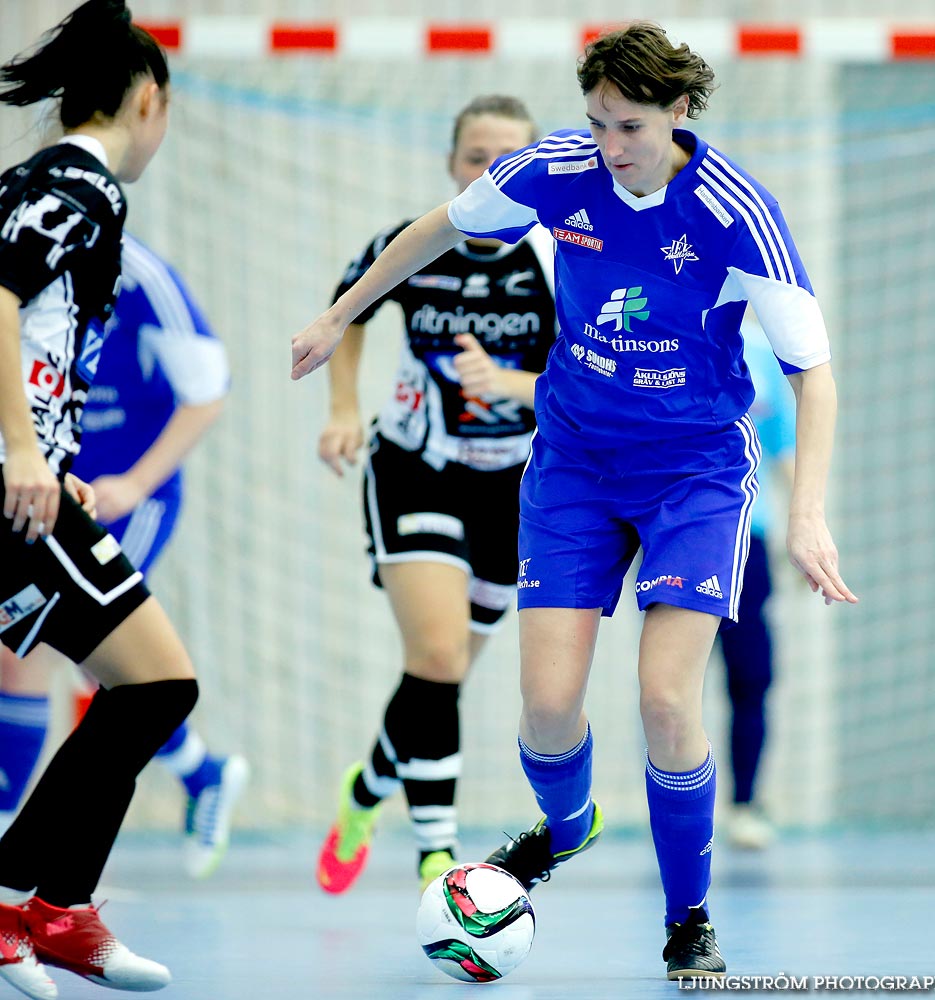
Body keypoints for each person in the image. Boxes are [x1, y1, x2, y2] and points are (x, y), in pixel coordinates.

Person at [292, 21, 858, 979]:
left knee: (666, 701)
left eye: (628, 126)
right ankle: (566, 827)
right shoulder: (557, 169)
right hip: (575, 464)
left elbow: (815, 370)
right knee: (547, 707)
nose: (608, 144)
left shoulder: (734, 213)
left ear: (679, 114)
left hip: (695, 474)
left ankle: (689, 918)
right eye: (596, 121)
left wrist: (807, 515)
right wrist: (338, 312)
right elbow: (438, 226)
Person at [0, 2, 197, 996]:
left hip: (32, 478)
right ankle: (25, 903)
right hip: (10, 488)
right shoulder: (77, 181)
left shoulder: (59, 184)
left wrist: (52, 449)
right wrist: (26, 452)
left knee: (149, 690)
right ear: (148, 99)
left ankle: (55, 911)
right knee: (160, 686)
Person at [314, 95, 557, 895]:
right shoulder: (416, 242)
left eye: (507, 158)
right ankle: (436, 854)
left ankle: (366, 790)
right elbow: (347, 314)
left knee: (440, 678)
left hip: (516, 484)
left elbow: (594, 375)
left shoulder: (559, 258)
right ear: (454, 166)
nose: (489, 171)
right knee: (439, 654)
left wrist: (512, 382)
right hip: (415, 464)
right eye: (474, 157)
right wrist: (344, 408)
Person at [0, 232, 250, 881]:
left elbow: (209, 389)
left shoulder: (137, 273)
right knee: (79, 663)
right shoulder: (19, 262)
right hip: (46, 491)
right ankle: (202, 772)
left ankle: (15, 858)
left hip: (125, 498)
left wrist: (135, 484)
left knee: (42, 650)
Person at [719, 321, 795, 850]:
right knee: (667, 684)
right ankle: (673, 804)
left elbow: (781, 446)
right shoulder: (666, 330)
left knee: (751, 674)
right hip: (677, 537)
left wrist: (802, 525)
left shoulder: (761, 353)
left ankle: (747, 801)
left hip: (750, 537)